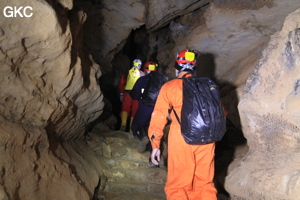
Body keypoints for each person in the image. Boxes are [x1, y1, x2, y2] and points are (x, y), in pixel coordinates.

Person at [148, 50, 217, 200]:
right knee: (205, 184)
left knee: (178, 186)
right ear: (194, 68)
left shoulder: (170, 87)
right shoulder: (207, 86)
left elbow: (158, 116)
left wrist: (155, 144)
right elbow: (220, 112)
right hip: (206, 139)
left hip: (181, 138)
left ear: (176, 68)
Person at [130, 61, 165, 154]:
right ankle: (152, 150)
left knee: (137, 124)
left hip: (145, 105)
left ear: (145, 70)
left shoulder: (142, 80)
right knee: (152, 127)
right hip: (158, 107)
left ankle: (143, 137)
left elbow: (135, 94)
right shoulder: (161, 80)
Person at [119, 59, 145, 132]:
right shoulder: (142, 74)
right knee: (135, 110)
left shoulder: (127, 72)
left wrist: (121, 94)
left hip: (127, 93)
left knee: (125, 108)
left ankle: (123, 125)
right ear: (140, 66)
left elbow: (122, 83)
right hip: (137, 94)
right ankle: (131, 129)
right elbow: (144, 85)